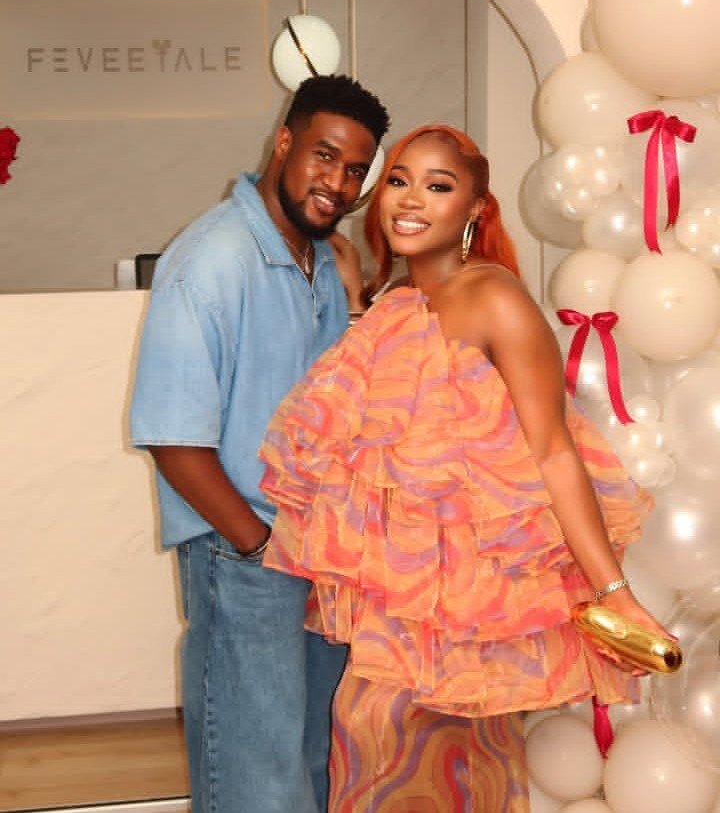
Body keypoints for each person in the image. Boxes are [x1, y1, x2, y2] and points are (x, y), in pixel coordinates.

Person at [258, 124, 669, 812]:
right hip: (405, 604)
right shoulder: (395, 305)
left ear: (475, 207)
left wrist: (614, 591)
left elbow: (554, 452)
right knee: (368, 740)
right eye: (399, 180)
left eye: (438, 185)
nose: (410, 199)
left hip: (477, 613)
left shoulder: (495, 299)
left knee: (434, 762)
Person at [129, 74, 390, 813]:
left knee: (312, 767)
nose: (337, 183)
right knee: (255, 785)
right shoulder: (211, 260)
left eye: (355, 170)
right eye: (323, 156)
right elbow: (175, 440)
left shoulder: (321, 262)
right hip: (244, 552)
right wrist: (258, 546)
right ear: (283, 143)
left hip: (318, 553)